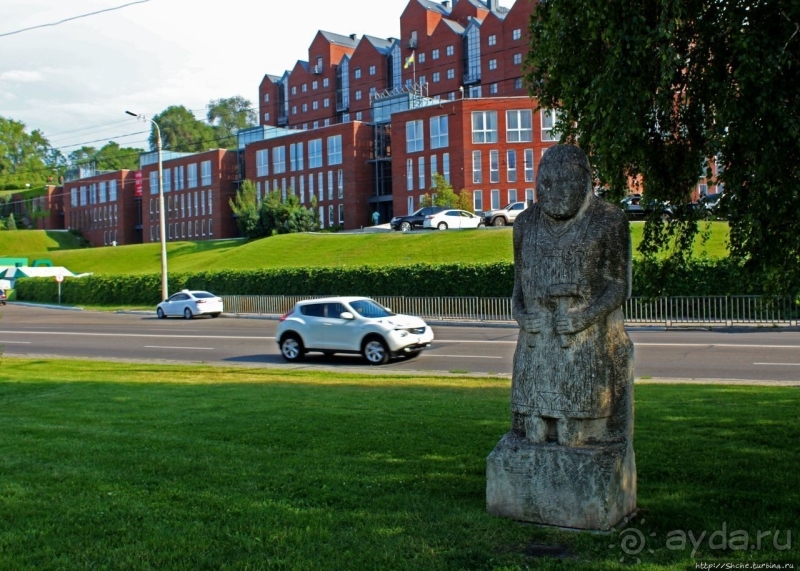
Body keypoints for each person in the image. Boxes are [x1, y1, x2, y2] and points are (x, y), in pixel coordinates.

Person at [510, 144, 633, 447]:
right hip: (537, 347)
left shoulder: (608, 220)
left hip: (582, 346)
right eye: (546, 182)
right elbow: (518, 287)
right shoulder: (525, 223)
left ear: (584, 182)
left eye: (564, 181)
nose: (553, 190)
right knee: (534, 433)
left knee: (571, 435)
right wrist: (522, 316)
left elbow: (619, 286)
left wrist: (583, 318)